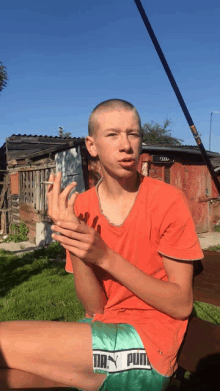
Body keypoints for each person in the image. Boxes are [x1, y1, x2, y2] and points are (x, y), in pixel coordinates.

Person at [0, 99, 204, 391]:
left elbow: (182, 305)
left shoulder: (168, 201)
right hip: (102, 328)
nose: (126, 145)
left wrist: (105, 256)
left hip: (150, 344)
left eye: (133, 134)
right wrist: (74, 239)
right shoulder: (82, 205)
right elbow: (95, 308)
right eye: (113, 134)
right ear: (92, 146)